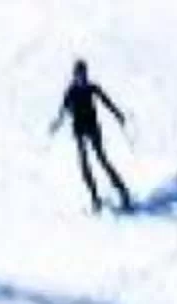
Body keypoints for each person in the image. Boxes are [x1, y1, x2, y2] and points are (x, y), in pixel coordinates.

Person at [52, 59, 134, 213]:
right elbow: (63, 111)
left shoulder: (92, 88)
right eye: (79, 75)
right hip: (79, 131)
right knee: (84, 165)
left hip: (93, 128)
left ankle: (123, 191)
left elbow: (107, 102)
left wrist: (118, 115)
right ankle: (95, 199)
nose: (82, 78)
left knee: (102, 160)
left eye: (84, 75)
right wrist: (56, 124)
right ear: (74, 76)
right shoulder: (70, 91)